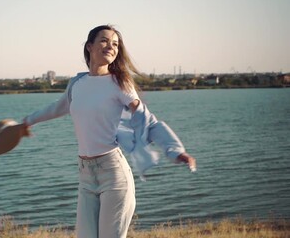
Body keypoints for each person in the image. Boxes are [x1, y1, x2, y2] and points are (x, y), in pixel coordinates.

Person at [19, 25, 196, 238]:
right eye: (104, 41)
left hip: (112, 174)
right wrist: (26, 123)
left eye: (115, 44)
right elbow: (57, 108)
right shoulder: (77, 83)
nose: (110, 47)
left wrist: (175, 150)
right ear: (89, 46)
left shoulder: (119, 83)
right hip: (85, 176)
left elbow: (147, 120)